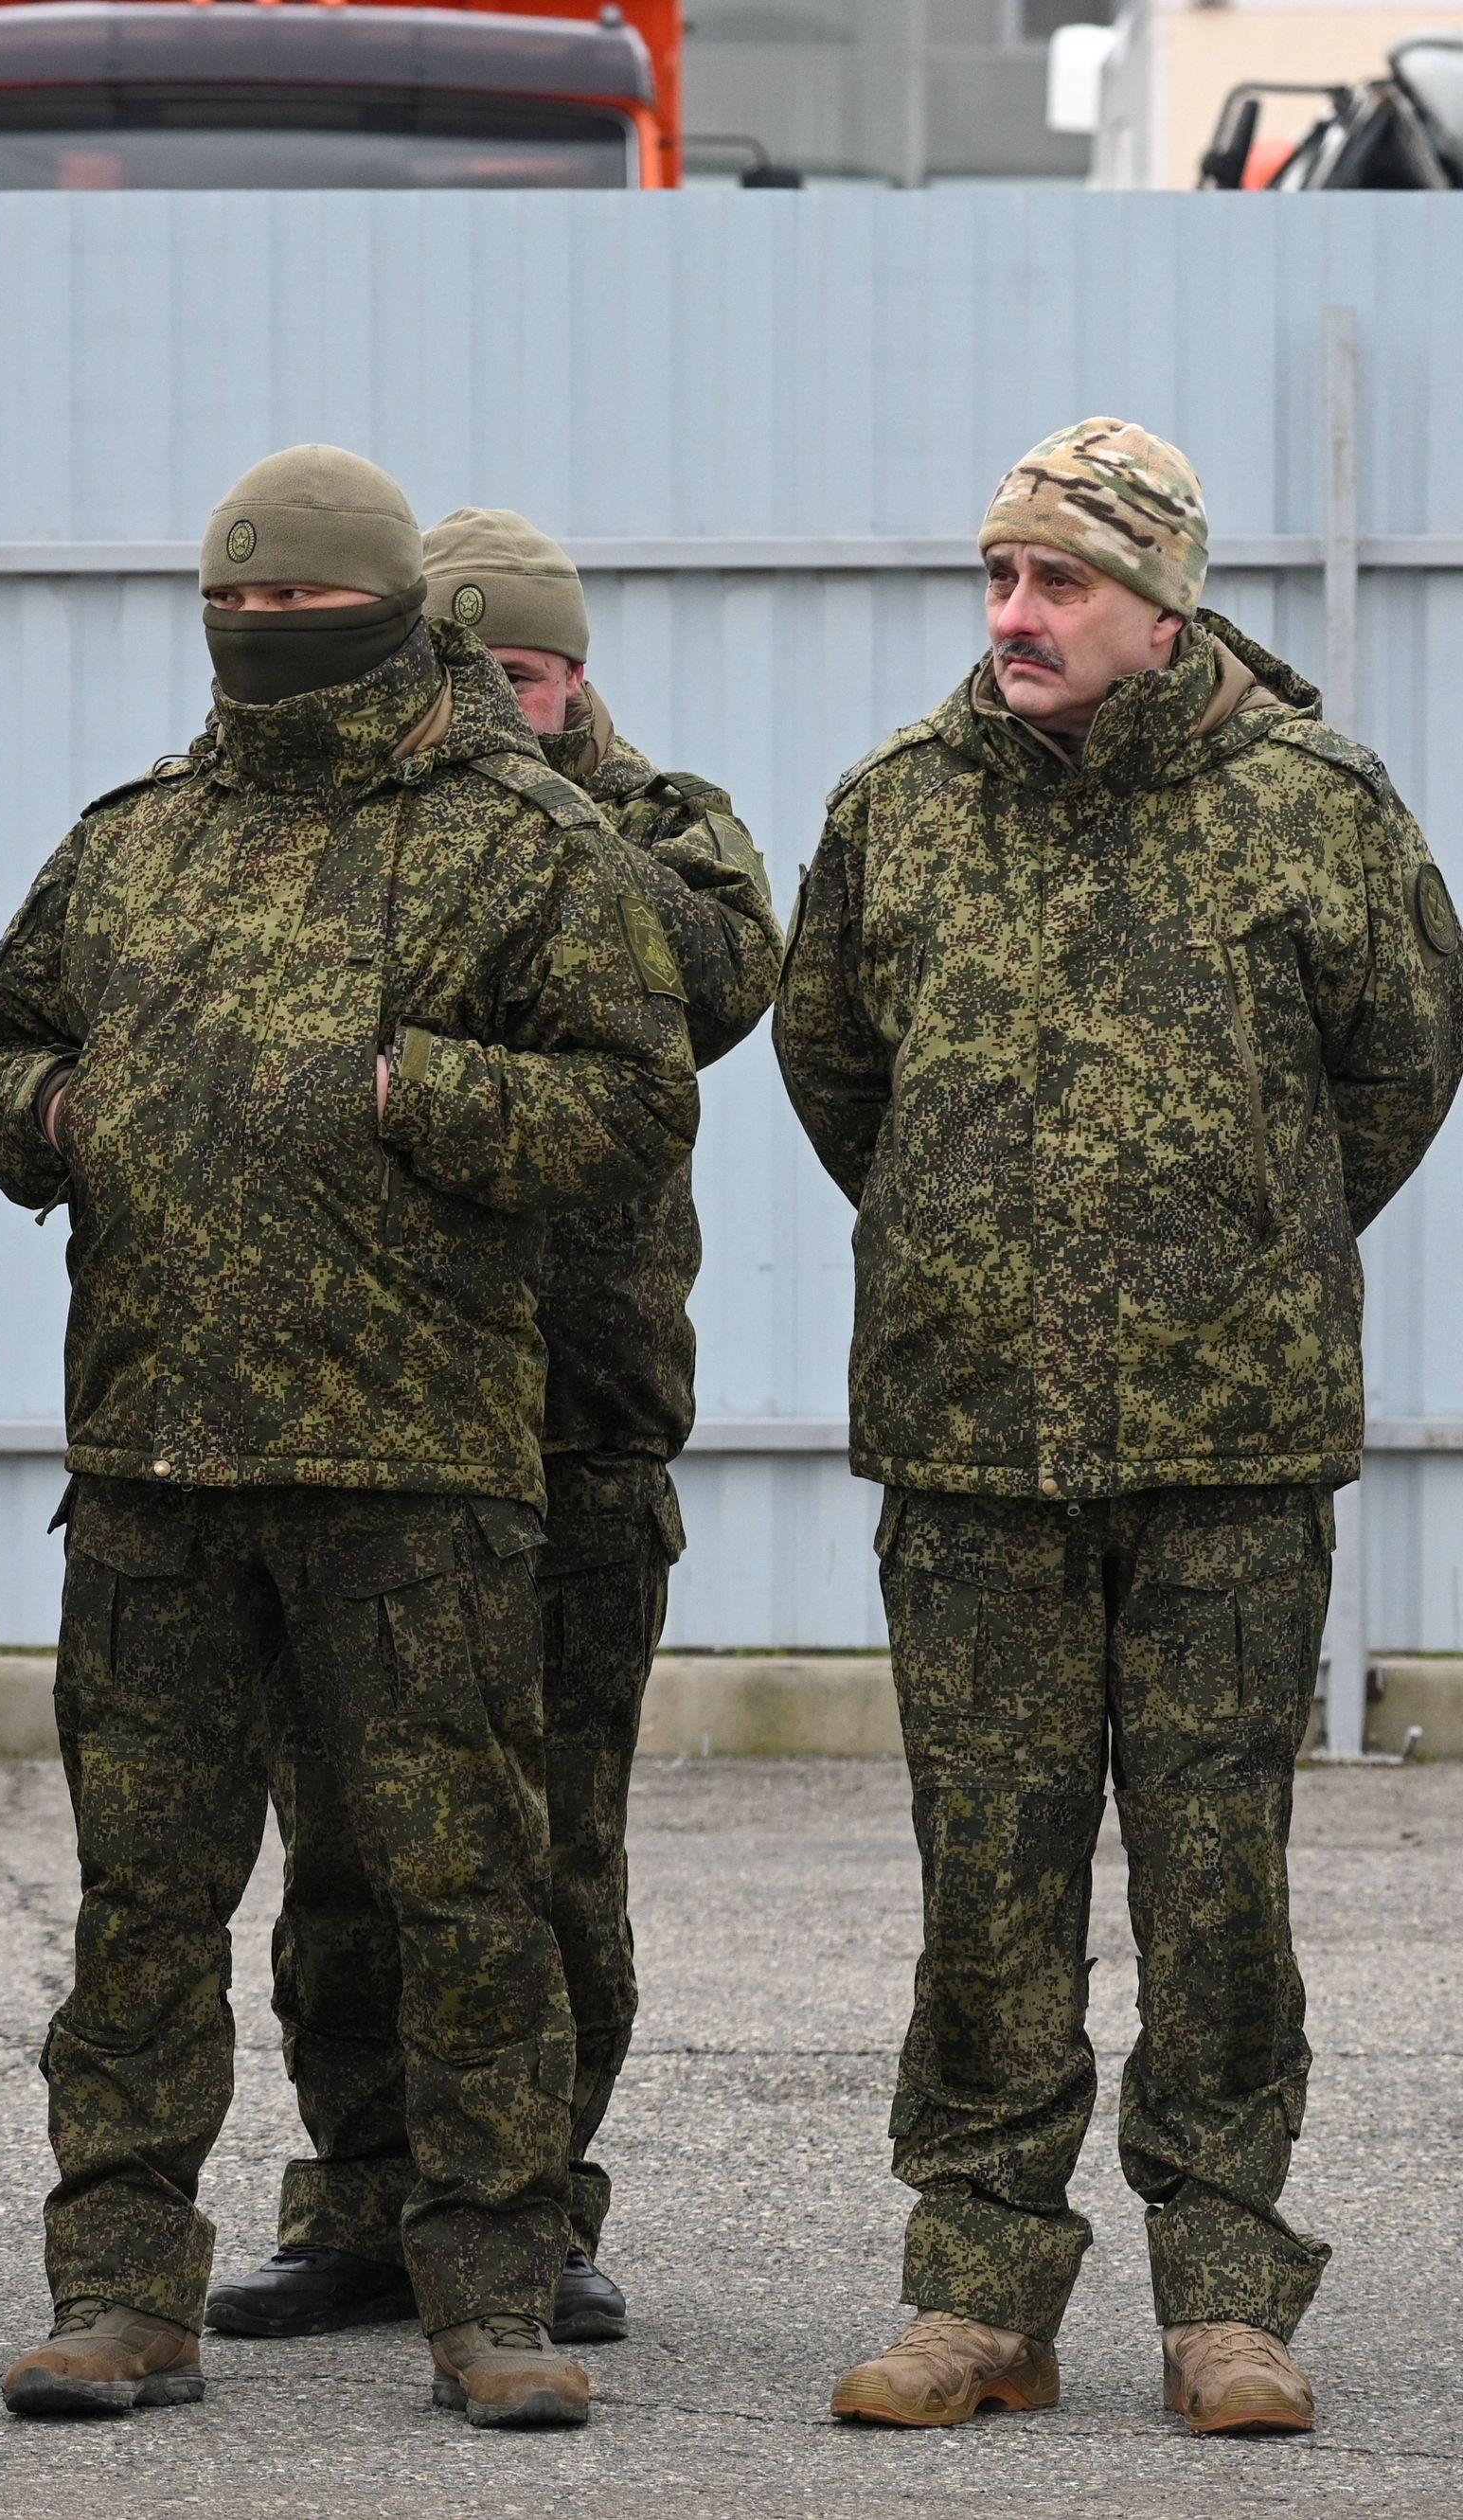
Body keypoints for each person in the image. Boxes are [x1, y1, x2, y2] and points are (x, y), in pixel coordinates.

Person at [0, 447, 697, 2431]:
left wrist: (411, 1087)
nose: (264, 639)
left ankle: (489, 2284)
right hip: (154, 1467)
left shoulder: (519, 840)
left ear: (389, 615)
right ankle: (118, 2287)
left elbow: (629, 1104)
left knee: (468, 1894)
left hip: (418, 1467)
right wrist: (64, 1117)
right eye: (236, 607)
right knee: (139, 1904)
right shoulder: (130, 843)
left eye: (300, 609)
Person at [778, 419, 1457, 2440]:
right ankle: (975, 2286)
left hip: (1225, 1448)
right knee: (981, 1875)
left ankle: (1224, 2290)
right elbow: (834, 1070)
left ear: (1159, 605)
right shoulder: (893, 810)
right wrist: (962, 1246)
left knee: (1212, 1877)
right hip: (967, 1438)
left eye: (1055, 581)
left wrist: (1237, 1236)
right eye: (994, 576)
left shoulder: (1311, 806)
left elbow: (1401, 1065)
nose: (1012, 614)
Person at [214, 509, 777, 2350]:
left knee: (544, 1858)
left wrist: (513, 826)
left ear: (569, 676)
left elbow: (709, 977)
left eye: (513, 678)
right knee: (350, 1853)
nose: (482, 707)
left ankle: (530, 2201)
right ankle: (359, 2200)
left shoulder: (663, 826)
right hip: (365, 1416)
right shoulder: (331, 824)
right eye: (448, 676)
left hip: (572, 1429)